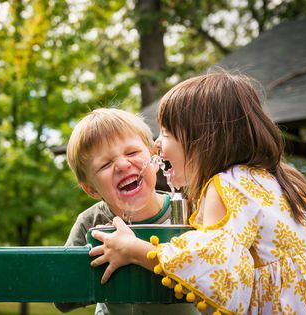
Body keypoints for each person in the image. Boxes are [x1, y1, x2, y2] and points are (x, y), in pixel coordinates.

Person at [89, 71, 306, 314]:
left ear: (202, 140)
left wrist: (133, 250)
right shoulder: (275, 179)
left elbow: (211, 266)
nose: (156, 145)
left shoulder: (226, 186)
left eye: (165, 133)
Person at [55, 108, 199, 314]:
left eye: (131, 153)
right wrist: (94, 263)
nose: (122, 165)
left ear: (154, 157)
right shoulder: (92, 223)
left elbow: (214, 278)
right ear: (92, 189)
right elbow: (63, 298)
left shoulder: (191, 210)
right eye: (105, 164)